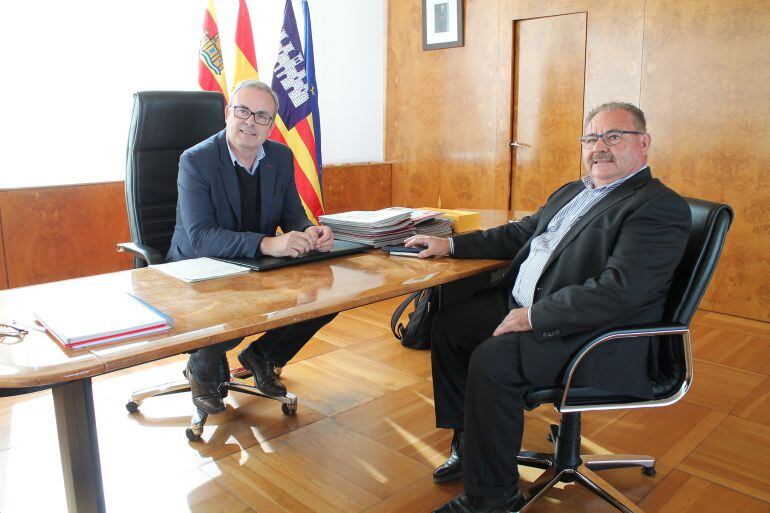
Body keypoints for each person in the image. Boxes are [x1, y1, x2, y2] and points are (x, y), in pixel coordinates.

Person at [404, 102, 691, 513]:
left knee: (492, 361)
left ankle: (492, 499)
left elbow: (620, 291)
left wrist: (536, 316)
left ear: (643, 144)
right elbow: (522, 233)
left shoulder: (657, 206)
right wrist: (450, 245)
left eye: (614, 136)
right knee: (450, 326)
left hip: (593, 334)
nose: (600, 147)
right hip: (528, 302)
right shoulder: (575, 190)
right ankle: (471, 446)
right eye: (591, 138)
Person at [167, 80, 335, 414]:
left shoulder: (280, 156)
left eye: (262, 116)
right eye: (243, 111)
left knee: (327, 295)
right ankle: (203, 361)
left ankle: (263, 356)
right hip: (199, 267)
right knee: (231, 314)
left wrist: (309, 230)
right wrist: (268, 243)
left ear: (272, 125)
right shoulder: (196, 160)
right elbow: (200, 235)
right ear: (228, 113)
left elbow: (291, 214)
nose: (250, 122)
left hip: (254, 262)